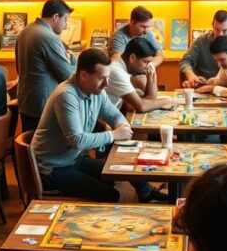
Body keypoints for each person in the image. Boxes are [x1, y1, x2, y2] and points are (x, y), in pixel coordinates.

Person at [31, 48, 166, 203]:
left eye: (107, 77)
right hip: (51, 169)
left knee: (122, 169)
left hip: (74, 159)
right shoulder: (66, 96)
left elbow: (114, 115)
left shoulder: (96, 90)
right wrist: (114, 134)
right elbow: (77, 140)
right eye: (102, 78)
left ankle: (146, 193)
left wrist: (122, 125)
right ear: (83, 75)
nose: (106, 83)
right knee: (110, 194)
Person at [15, 0, 77, 132]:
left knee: (28, 140)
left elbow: (19, 69)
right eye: (65, 20)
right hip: (43, 104)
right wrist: (72, 60)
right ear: (55, 17)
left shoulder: (24, 31)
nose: (65, 25)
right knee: (44, 143)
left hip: (26, 100)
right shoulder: (49, 37)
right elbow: (68, 75)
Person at [105, 37, 174, 113]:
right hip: (104, 119)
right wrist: (166, 101)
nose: (147, 66)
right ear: (132, 58)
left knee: (139, 93)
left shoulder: (125, 67)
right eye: (146, 62)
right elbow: (141, 107)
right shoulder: (117, 71)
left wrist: (151, 77)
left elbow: (150, 99)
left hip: (114, 113)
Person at [180, 10, 227, 87]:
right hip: (205, 84)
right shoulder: (201, 41)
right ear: (212, 26)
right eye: (217, 29)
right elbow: (186, 61)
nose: (220, 34)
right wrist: (191, 75)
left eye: (225, 30)